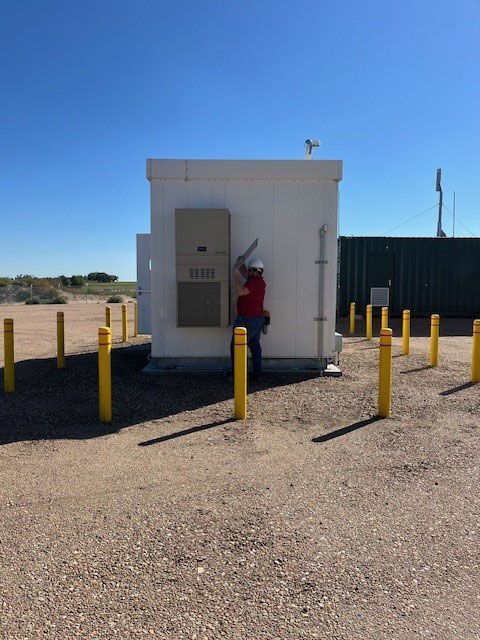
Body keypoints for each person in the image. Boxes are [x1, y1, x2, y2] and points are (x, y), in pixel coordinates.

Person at [230, 257, 266, 380]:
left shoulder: (254, 282)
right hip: (255, 319)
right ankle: (257, 375)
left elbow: (241, 291)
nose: (248, 272)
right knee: (255, 346)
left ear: (255, 271)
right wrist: (241, 268)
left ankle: (238, 377)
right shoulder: (257, 281)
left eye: (250, 270)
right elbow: (247, 278)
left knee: (236, 346)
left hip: (247, 320)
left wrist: (235, 275)